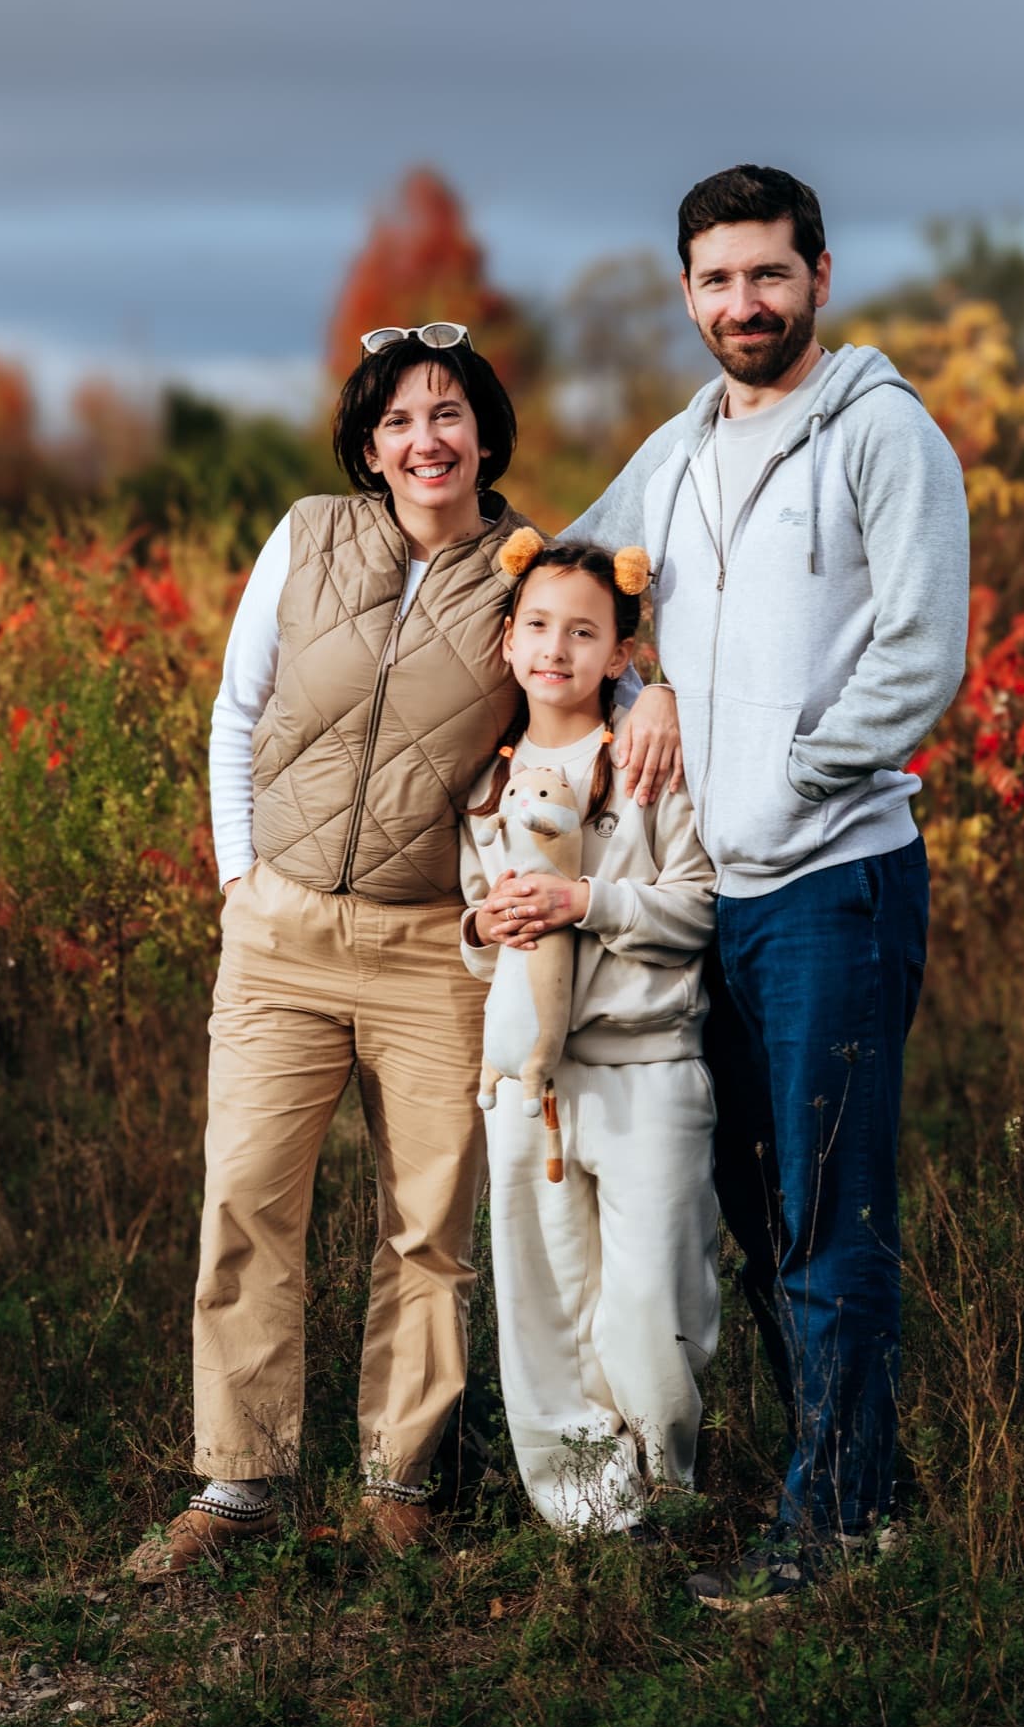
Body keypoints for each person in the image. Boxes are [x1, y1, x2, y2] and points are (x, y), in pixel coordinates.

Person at [124, 327, 680, 1581]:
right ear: (367, 446)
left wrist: (665, 701)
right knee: (245, 1200)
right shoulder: (308, 534)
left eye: (448, 415)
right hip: (280, 931)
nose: (425, 442)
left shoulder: (521, 567)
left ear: (486, 429)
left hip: (437, 946)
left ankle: (402, 1480)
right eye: (397, 423)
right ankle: (238, 1483)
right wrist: (235, 875)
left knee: (427, 1225)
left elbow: (602, 659)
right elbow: (238, 708)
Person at [566, 166, 970, 1601]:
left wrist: (784, 780)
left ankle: (843, 1524)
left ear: (818, 277)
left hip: (832, 887)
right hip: (712, 903)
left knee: (823, 1209)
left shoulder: (883, 436)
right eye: (717, 280)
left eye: (768, 275)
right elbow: (570, 568)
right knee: (752, 1204)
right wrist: (647, 678)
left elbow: (922, 656)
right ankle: (856, 1474)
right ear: (685, 292)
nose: (743, 304)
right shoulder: (672, 458)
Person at [459, 532, 719, 1534]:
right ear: (508, 642)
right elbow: (479, 933)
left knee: (651, 1304)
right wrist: (487, 924)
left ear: (621, 653)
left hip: (645, 1067)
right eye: (535, 626)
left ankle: (668, 1484)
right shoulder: (488, 779)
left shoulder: (650, 763)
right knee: (547, 1308)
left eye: (582, 632)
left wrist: (588, 901)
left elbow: (695, 910)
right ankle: (592, 1516)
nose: (554, 648)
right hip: (528, 1084)